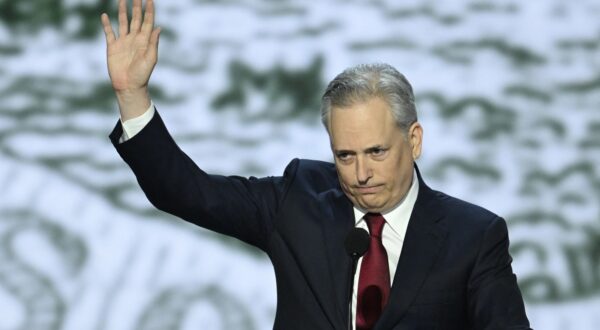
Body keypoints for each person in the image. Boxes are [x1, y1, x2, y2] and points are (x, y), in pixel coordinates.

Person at [101, 0, 532, 329]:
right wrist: (132, 97)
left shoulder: (473, 238)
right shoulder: (298, 200)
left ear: (414, 140)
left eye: (376, 152)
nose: (361, 173)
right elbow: (185, 191)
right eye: (345, 155)